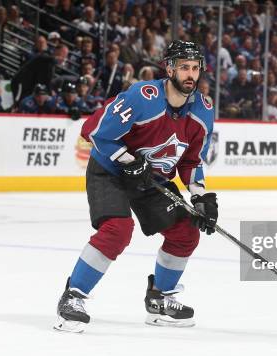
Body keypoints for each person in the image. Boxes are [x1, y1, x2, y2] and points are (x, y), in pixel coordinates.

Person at [54, 40, 217, 333]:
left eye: (195, 68)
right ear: (169, 69)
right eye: (183, 68)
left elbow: (191, 160)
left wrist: (201, 196)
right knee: (117, 230)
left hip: (151, 178)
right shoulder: (143, 97)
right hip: (110, 169)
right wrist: (129, 160)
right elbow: (93, 131)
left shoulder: (203, 110)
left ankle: (160, 299)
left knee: (185, 231)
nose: (190, 74)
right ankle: (73, 296)